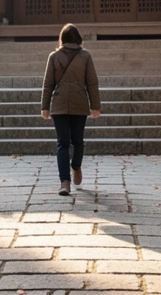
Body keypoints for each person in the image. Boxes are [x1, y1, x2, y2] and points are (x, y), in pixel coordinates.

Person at [40, 23, 101, 196]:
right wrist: (95, 106)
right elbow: (92, 83)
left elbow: (48, 84)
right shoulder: (80, 56)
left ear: (62, 39)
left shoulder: (61, 56)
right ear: (78, 38)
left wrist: (45, 107)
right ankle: (69, 175)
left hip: (63, 103)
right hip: (76, 103)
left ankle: (69, 176)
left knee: (66, 143)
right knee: (73, 142)